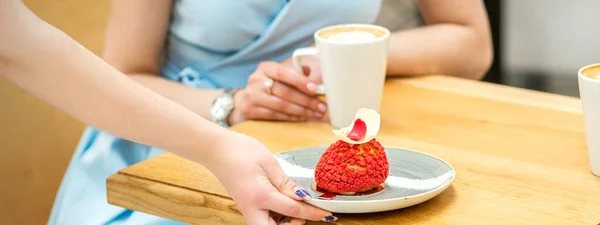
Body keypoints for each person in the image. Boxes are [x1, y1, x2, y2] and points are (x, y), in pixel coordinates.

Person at [50, 0, 493, 224]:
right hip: (175, 135)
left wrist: (342, 58)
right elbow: (125, 73)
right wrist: (231, 104)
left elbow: (472, 44)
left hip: (327, 142)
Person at [0, 1, 332, 225]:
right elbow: (22, 48)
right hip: (166, 139)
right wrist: (224, 128)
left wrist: (330, 55)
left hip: (304, 140)